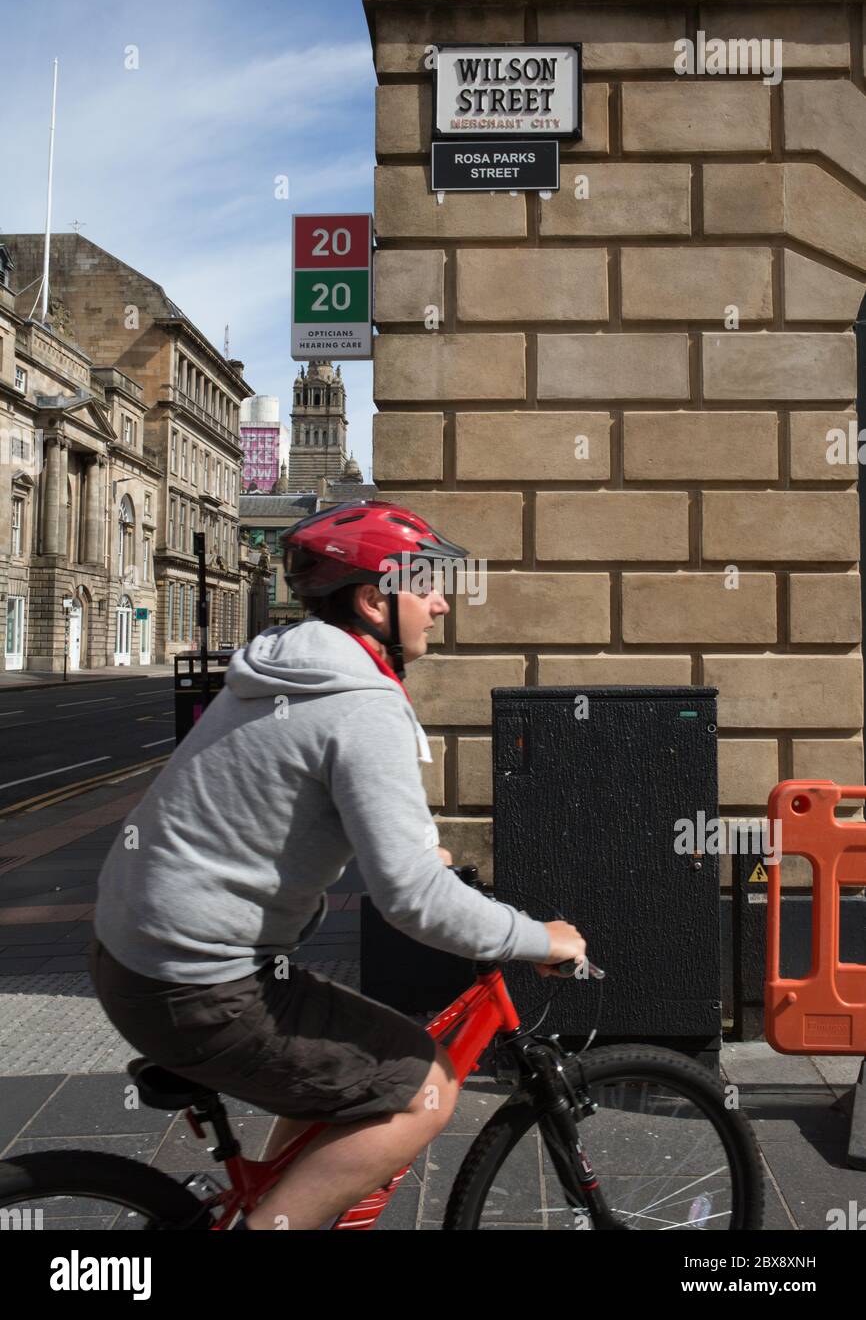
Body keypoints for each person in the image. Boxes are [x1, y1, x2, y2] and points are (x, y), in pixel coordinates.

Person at [89, 499, 586, 1230]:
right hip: (199, 986)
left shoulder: (286, 672)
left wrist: (414, 855)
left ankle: (281, 1203)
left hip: (138, 954)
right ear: (374, 599)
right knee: (425, 1088)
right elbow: (413, 902)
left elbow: (281, 806)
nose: (443, 604)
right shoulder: (360, 706)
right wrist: (539, 938)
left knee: (352, 1087)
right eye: (427, 585)